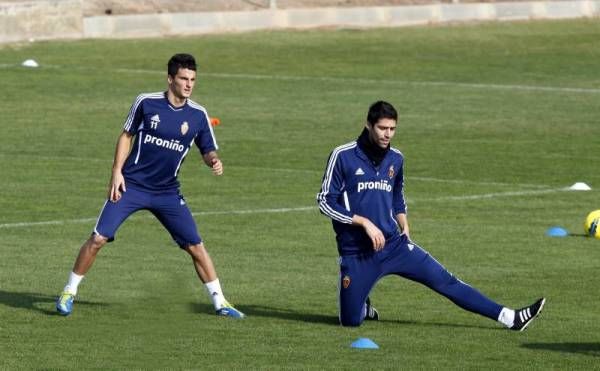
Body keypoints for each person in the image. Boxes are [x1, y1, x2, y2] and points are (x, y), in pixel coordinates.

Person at [317, 100, 544, 330]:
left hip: (394, 245)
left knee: (445, 280)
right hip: (357, 254)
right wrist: (364, 222)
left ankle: (509, 317)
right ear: (368, 125)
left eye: (392, 129)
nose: (388, 134)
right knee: (350, 322)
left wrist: (403, 220)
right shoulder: (342, 156)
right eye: (382, 128)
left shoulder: (396, 158)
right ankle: (361, 304)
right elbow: (325, 202)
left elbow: (397, 194)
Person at [56, 53, 244, 318]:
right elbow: (126, 135)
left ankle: (221, 302)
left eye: (192, 79)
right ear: (170, 79)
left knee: (195, 246)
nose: (189, 84)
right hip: (131, 186)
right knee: (98, 239)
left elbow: (207, 150)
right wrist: (116, 172)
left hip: (167, 192)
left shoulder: (199, 115)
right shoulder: (146, 103)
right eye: (183, 78)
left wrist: (214, 161)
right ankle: (68, 292)